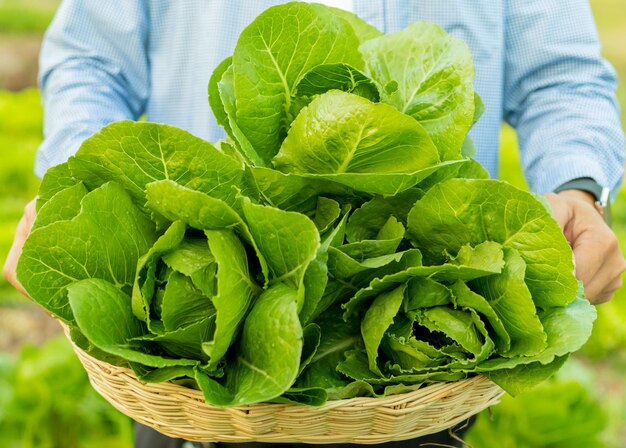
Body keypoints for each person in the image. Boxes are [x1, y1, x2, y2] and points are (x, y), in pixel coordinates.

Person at [3, 1, 626, 447]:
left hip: (416, 367)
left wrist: (578, 183)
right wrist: (75, 192)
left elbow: (559, 74)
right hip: (189, 374)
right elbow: (91, 58)